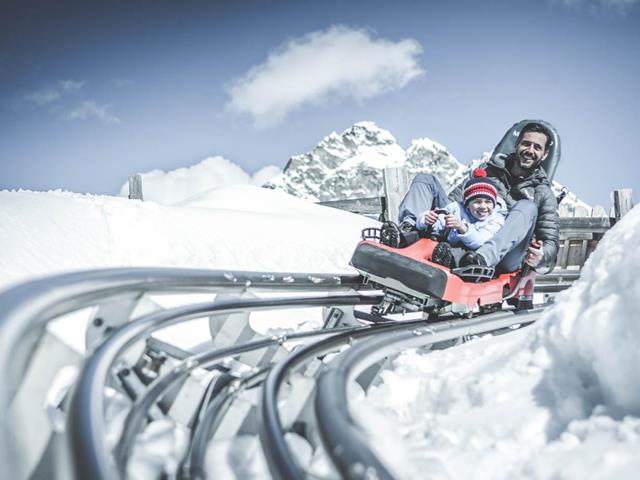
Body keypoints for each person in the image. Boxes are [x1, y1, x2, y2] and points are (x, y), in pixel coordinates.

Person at [396, 122, 560, 273]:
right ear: (517, 145)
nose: (530, 150)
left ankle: (481, 259)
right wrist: (438, 218)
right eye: (526, 143)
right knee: (425, 179)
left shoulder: (543, 193)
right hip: (464, 230)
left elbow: (551, 242)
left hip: (501, 255)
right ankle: (407, 232)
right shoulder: (488, 170)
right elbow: (456, 201)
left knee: (528, 206)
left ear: (544, 155)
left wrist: (542, 255)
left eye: (537, 147)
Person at [418, 169, 506, 268]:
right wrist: (427, 219)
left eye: (488, 202)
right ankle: (404, 240)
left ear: (494, 204)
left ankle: (448, 259)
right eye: (477, 202)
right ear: (467, 205)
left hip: (473, 253)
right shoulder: (456, 208)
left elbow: (481, 241)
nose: (483, 206)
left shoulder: (496, 220)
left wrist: (462, 227)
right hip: (447, 245)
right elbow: (438, 224)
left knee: (463, 252)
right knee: (426, 234)